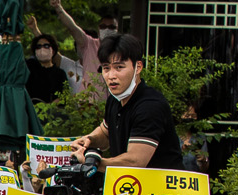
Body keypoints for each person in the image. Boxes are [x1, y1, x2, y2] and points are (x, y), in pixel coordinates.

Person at [72, 33, 185, 170]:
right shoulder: (115, 100)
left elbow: (135, 161)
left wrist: (92, 164)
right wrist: (89, 140)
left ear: (138, 67)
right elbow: (106, 132)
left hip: (161, 188)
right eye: (106, 68)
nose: (111, 76)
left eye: (119, 67)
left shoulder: (150, 105)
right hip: (128, 185)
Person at [49, 0, 119, 98]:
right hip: (87, 106)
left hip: (112, 107)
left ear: (117, 30)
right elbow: (72, 28)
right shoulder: (89, 44)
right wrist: (58, 7)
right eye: (103, 27)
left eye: (111, 27)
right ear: (99, 29)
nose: (107, 30)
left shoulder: (123, 51)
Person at [28, 34, 70, 104]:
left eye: (46, 46)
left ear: (53, 51)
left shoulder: (60, 74)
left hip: (53, 112)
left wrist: (48, 107)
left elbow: (64, 96)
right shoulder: (29, 68)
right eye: (39, 46)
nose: (42, 49)